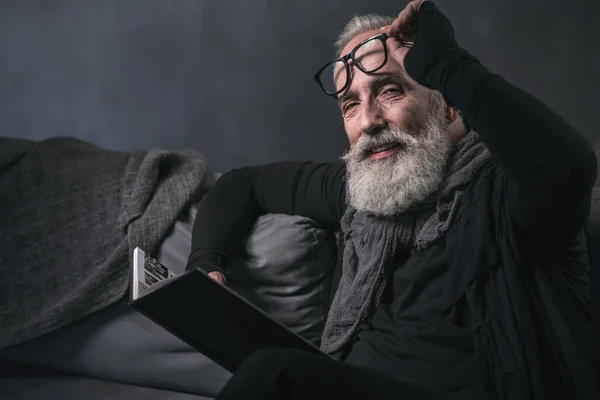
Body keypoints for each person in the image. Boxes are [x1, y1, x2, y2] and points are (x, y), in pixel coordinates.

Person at [186, 1, 600, 399]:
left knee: (275, 375)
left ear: (451, 106)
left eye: (389, 91)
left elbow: (567, 170)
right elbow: (245, 185)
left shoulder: (510, 192)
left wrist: (447, 62)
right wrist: (206, 264)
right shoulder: (362, 192)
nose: (368, 121)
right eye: (350, 104)